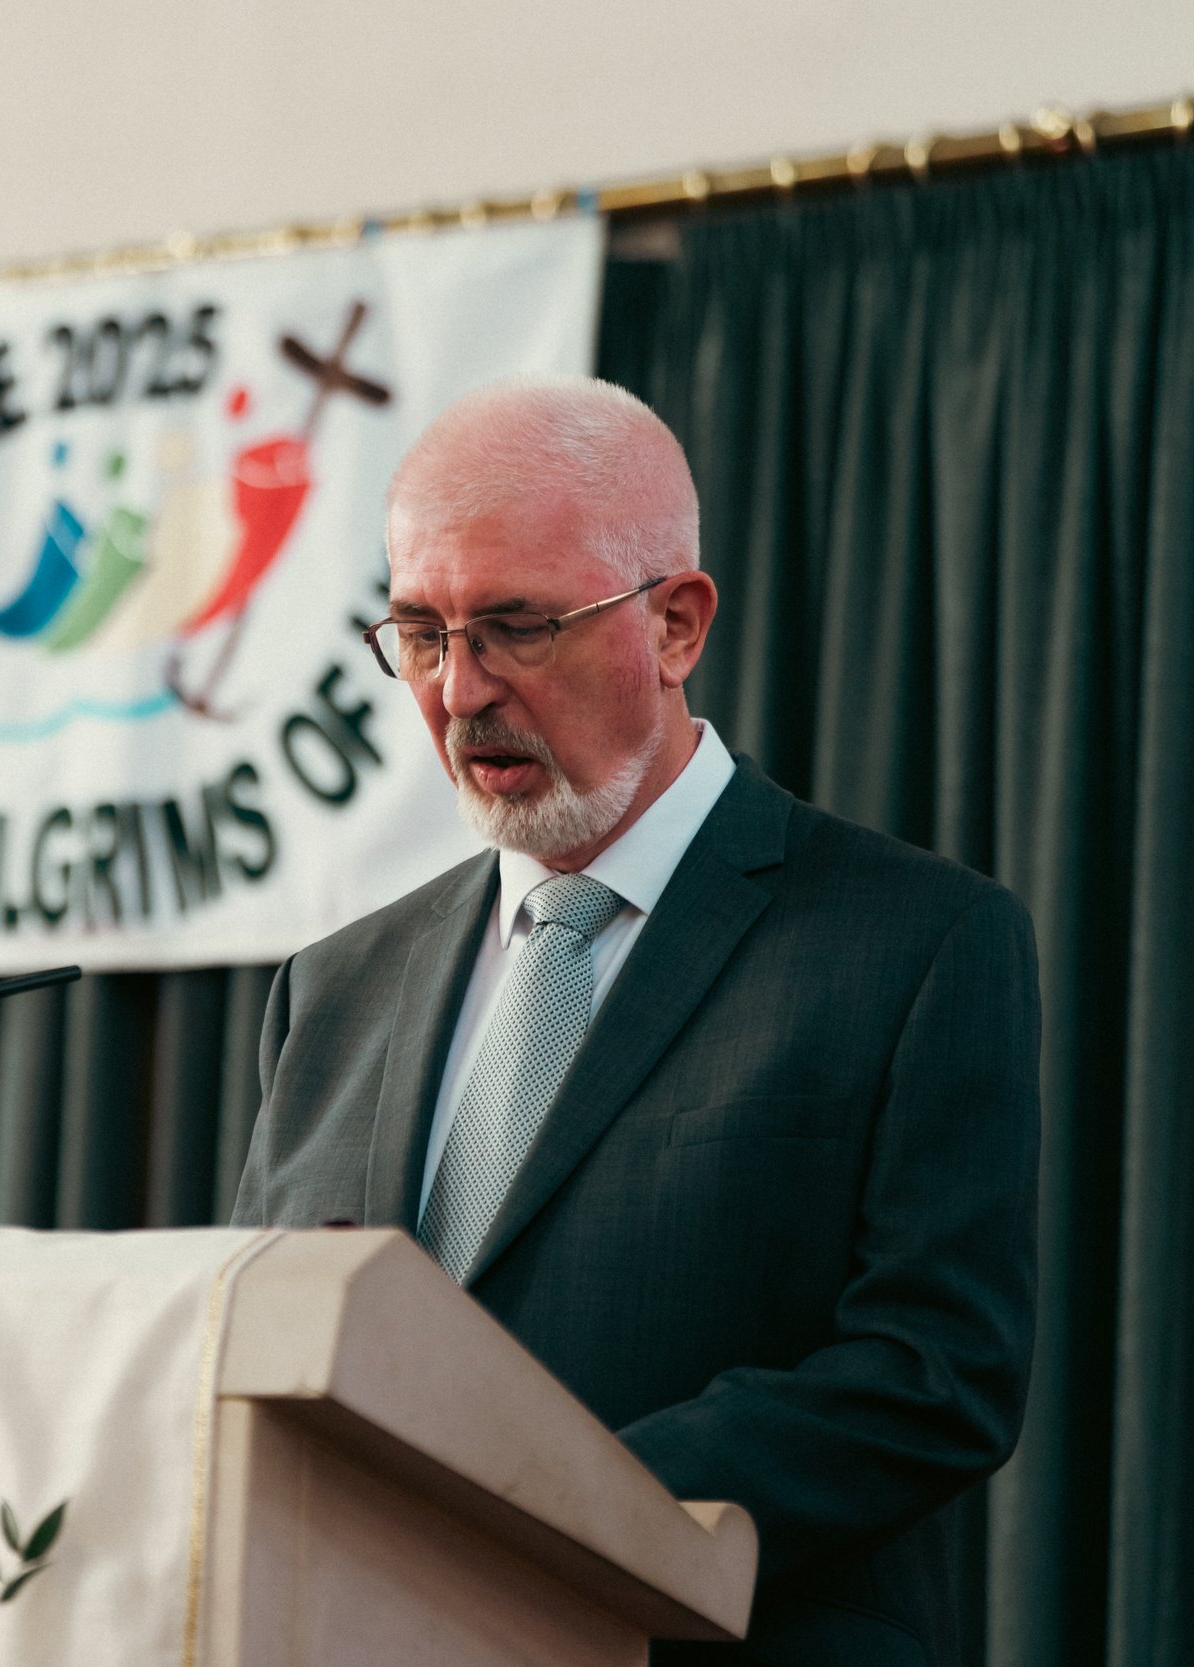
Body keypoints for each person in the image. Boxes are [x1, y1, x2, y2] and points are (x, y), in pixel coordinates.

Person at [231, 377, 1040, 1667]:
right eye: (420, 635)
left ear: (675, 624)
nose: (458, 692)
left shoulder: (916, 943)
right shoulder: (334, 989)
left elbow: (931, 1375)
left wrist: (540, 1504)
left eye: (515, 628)